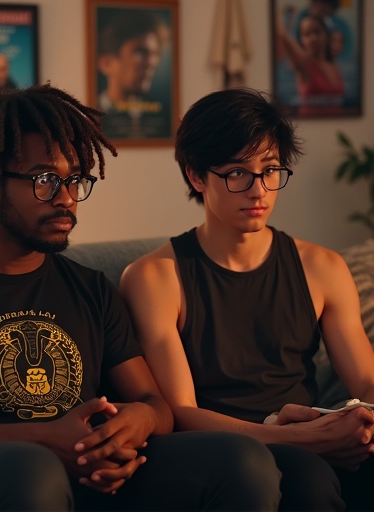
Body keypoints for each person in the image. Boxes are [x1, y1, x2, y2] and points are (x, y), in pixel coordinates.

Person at [0, 84, 283, 511]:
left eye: (75, 179)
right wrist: (42, 437)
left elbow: (154, 404)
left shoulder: (92, 289)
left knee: (242, 459)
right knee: (31, 468)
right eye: (45, 180)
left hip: (87, 468)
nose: (66, 198)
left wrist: (134, 426)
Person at [120, 88, 374, 511]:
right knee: (307, 479)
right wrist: (297, 438)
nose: (259, 191)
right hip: (225, 451)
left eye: (270, 170)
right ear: (196, 176)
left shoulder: (322, 268)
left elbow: (366, 383)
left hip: (310, 431)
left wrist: (356, 426)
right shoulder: (155, 278)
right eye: (237, 172)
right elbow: (181, 411)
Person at [96, 9, 171, 139]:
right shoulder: (90, 117)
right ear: (106, 63)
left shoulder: (163, 118)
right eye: (140, 52)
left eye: (155, 54)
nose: (151, 63)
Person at [276, 10, 344, 117]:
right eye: (307, 34)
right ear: (302, 40)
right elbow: (282, 34)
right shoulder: (304, 64)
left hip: (336, 127)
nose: (313, 38)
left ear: (326, 34)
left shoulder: (333, 65)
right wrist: (279, 13)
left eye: (317, 32)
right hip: (311, 128)